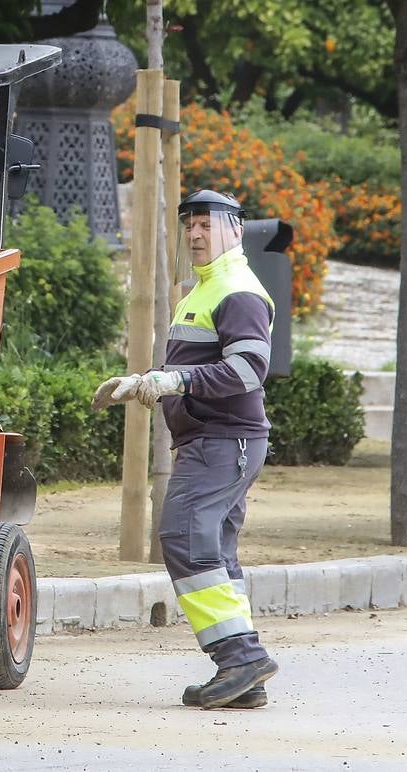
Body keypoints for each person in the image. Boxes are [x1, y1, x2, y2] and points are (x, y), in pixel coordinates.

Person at [92, 190, 278, 710]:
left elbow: (248, 371)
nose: (195, 234)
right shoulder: (204, 288)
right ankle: (245, 677)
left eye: (206, 224)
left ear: (235, 230)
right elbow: (195, 369)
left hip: (223, 441)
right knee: (215, 552)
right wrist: (148, 380)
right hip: (216, 440)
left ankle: (240, 657)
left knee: (183, 536)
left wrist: (173, 380)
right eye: (189, 226)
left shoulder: (236, 290)